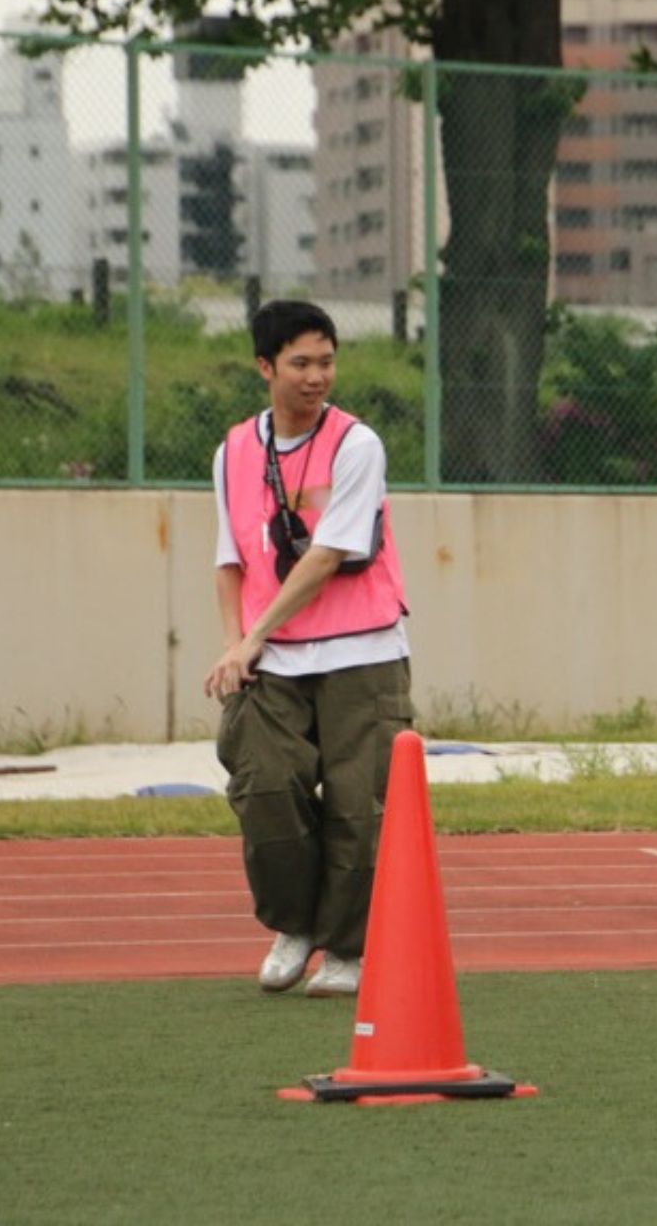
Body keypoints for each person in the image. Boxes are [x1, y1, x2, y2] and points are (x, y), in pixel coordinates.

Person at [204, 300, 414, 998]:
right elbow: (230, 557)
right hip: (275, 661)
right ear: (265, 367)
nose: (317, 376)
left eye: (326, 361)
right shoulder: (233, 450)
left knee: (361, 808)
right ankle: (295, 925)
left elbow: (327, 556)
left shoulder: (357, 445)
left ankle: (349, 949)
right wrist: (237, 643)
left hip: (362, 653)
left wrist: (253, 638)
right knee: (264, 788)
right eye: (300, 363)